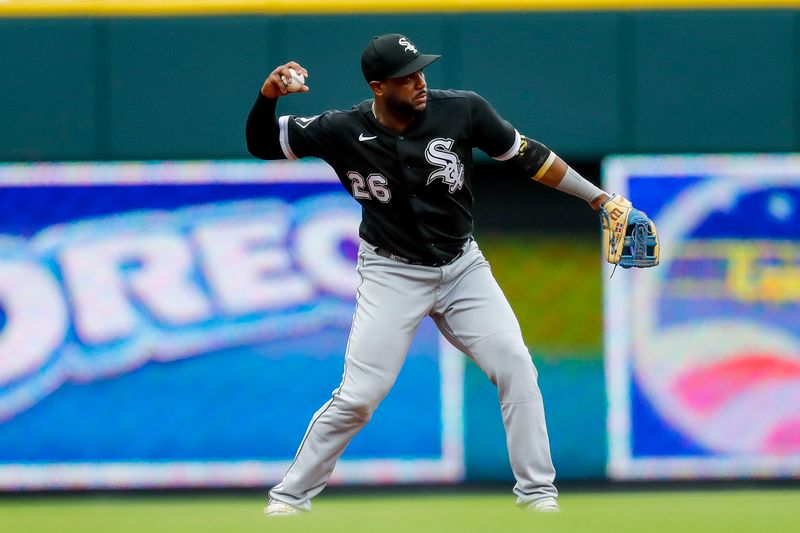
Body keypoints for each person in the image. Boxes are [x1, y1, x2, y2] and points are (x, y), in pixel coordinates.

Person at [246, 33, 613, 516]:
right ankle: (289, 500)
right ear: (379, 87)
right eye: (406, 76)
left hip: (462, 267)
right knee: (359, 397)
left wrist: (598, 198)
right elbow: (262, 144)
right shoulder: (339, 128)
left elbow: (530, 157)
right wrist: (268, 97)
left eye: (421, 70)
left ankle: (539, 498)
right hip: (391, 272)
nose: (420, 81)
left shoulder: (462, 110)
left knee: (516, 366)